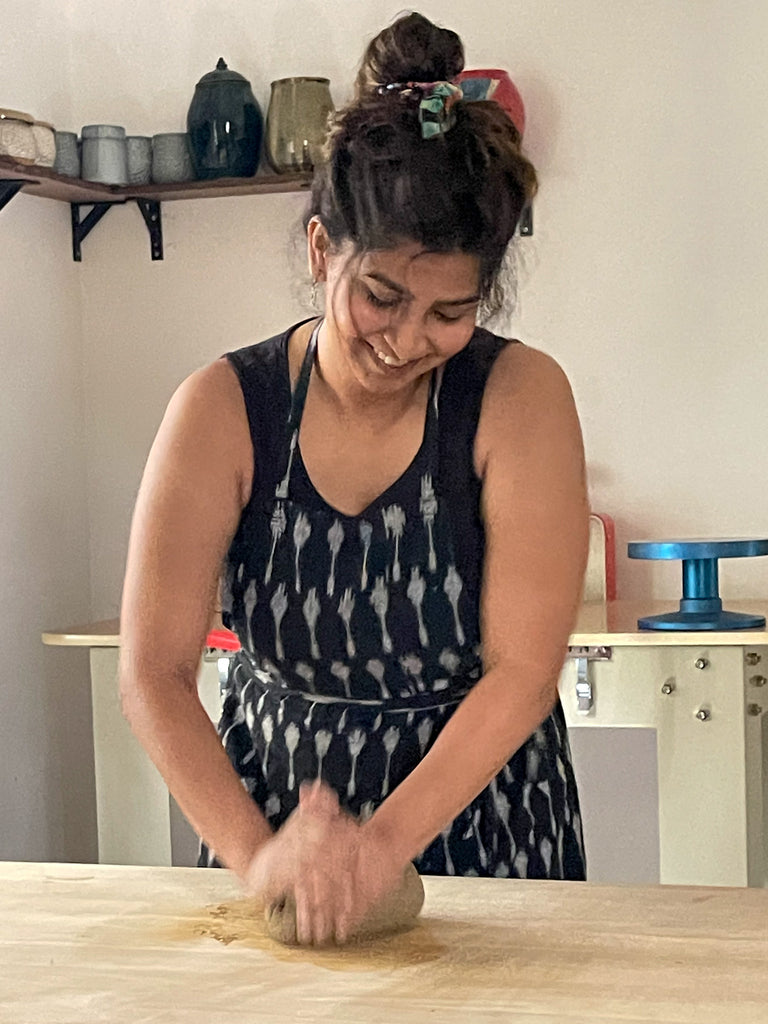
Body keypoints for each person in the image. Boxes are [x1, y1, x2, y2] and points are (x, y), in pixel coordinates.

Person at [119, 11, 590, 947]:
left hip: (487, 835)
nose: (409, 340)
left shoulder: (517, 396)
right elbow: (155, 673)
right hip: (277, 831)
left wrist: (381, 848)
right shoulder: (223, 409)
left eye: (450, 312)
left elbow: (525, 672)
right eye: (381, 296)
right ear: (320, 250)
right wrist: (261, 859)